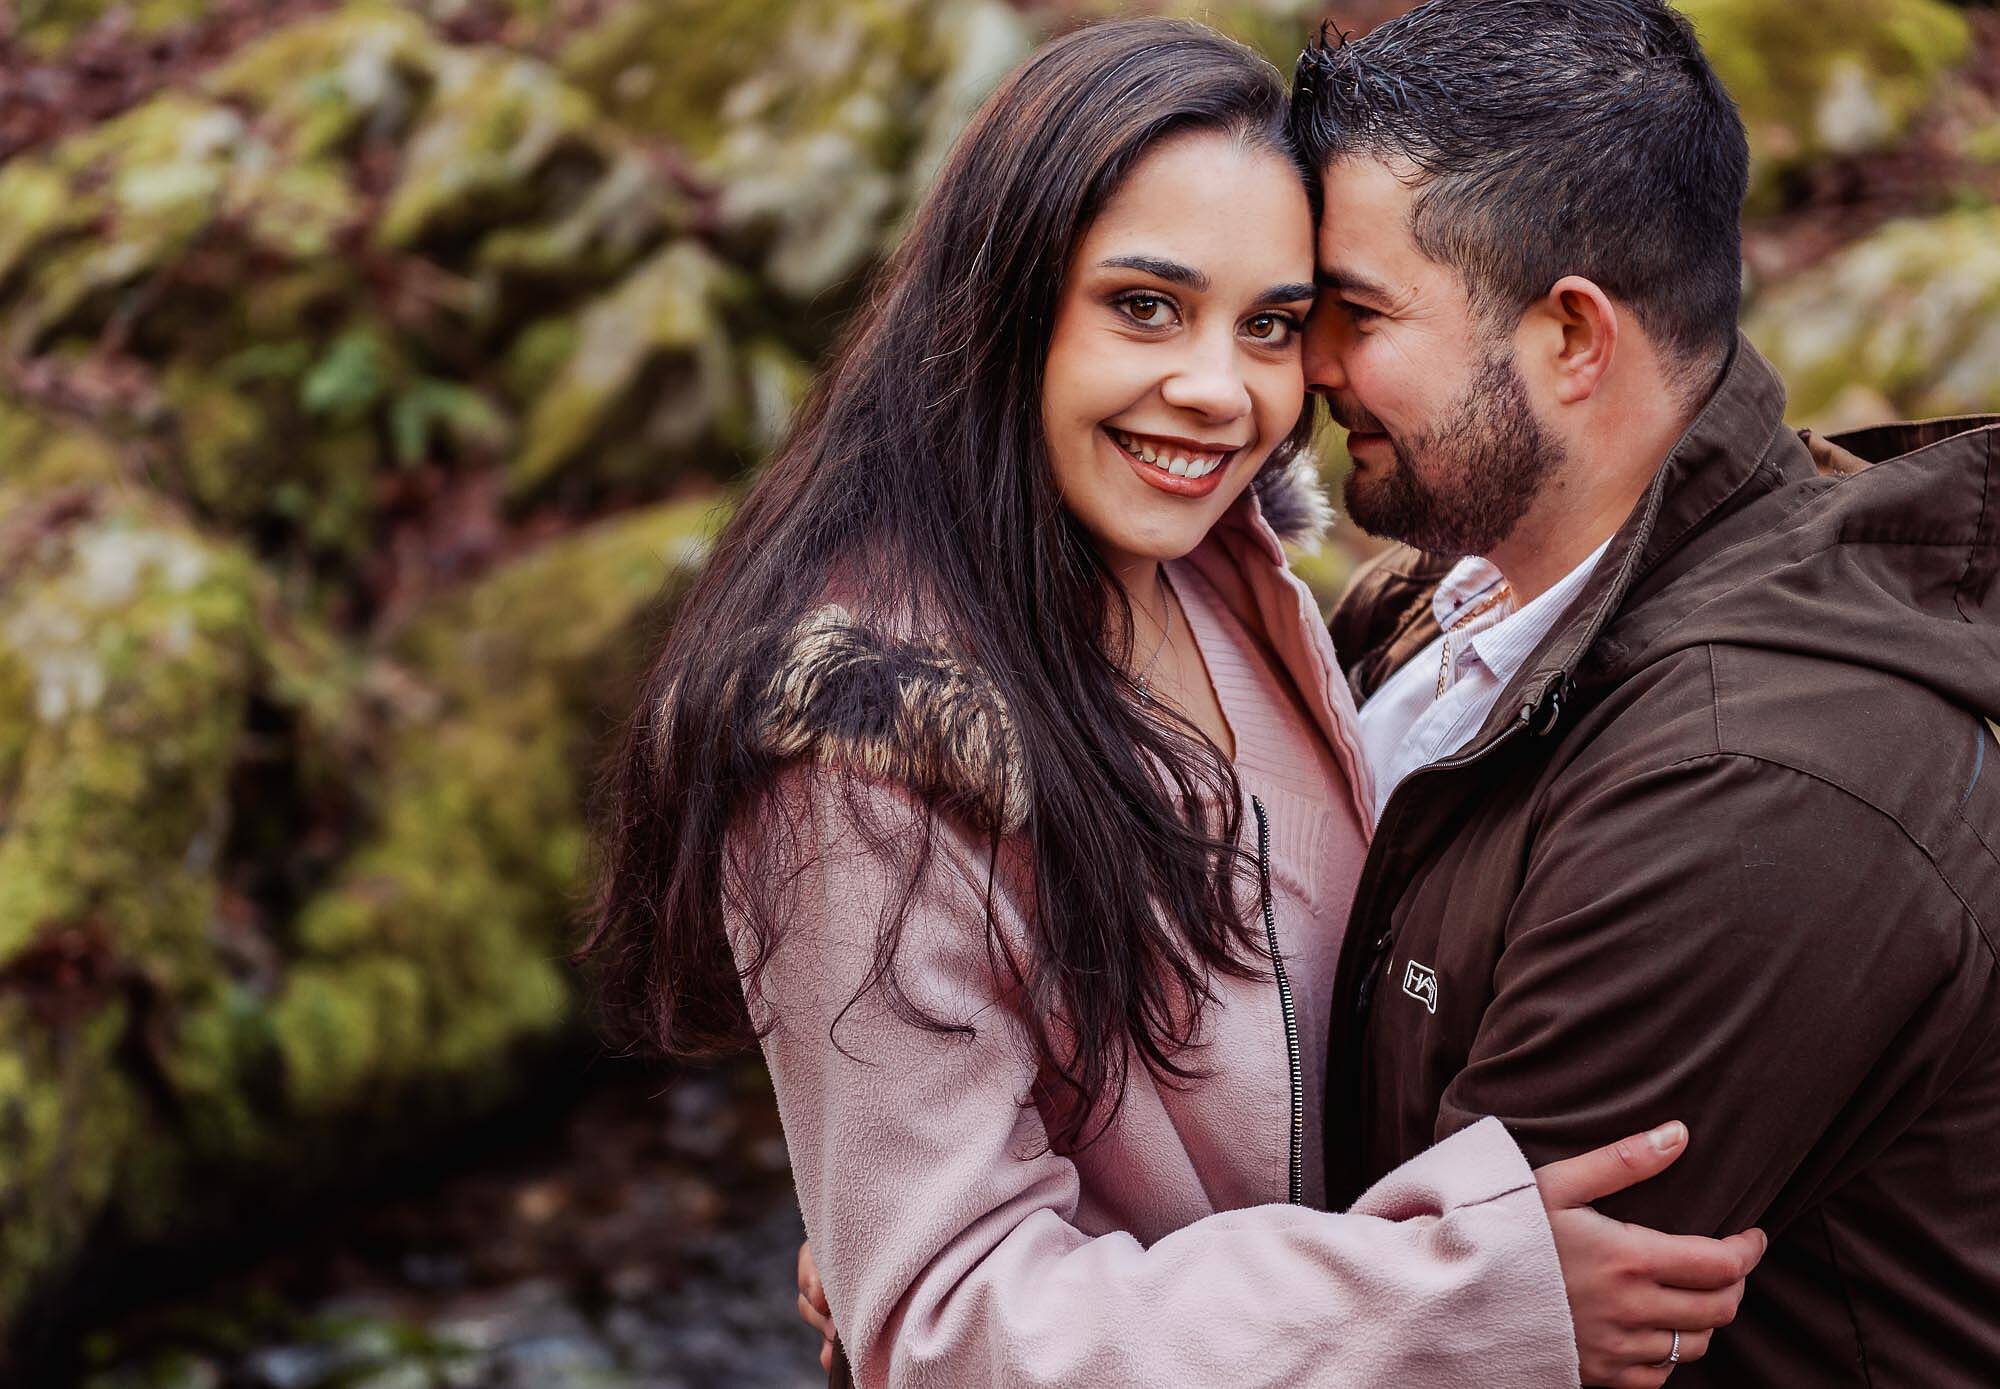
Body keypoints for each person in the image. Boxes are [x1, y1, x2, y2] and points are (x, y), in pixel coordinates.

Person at [576, 17, 1763, 1388]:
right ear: (1008, 302)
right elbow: (949, 1329)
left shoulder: (1219, 573)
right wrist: (1454, 1300)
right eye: (1144, 305)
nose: (1218, 392)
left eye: (1270, 325)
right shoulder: (870, 749)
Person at [1284, 2, 2000, 1384]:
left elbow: (1450, 1353)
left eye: (1358, 314)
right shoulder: (1453, 599)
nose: (1311, 364)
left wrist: (1013, 1306)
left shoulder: (1754, 788)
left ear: (1573, 337)